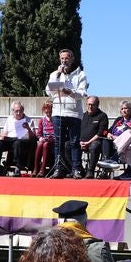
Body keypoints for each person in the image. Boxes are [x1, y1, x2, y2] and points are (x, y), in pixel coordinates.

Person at [46, 48, 88, 179]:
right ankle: (59, 168)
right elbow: (48, 91)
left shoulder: (80, 75)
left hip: (74, 113)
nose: (64, 61)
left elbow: (82, 93)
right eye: (62, 58)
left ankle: (76, 169)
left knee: (74, 142)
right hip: (58, 112)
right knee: (58, 142)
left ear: (72, 59)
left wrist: (70, 92)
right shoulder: (54, 74)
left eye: (67, 58)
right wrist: (58, 75)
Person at [0, 101, 36, 176]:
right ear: (13, 111)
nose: (19, 113)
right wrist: (1, 137)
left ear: (23, 110)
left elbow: (33, 137)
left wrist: (28, 128)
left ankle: (18, 167)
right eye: (16, 111)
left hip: (23, 141)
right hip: (10, 140)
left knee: (17, 142)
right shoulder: (9, 119)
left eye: (20, 111)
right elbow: (5, 132)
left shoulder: (29, 120)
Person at [79, 97, 113, 179]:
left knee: (94, 146)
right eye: (88, 104)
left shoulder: (102, 116)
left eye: (92, 105)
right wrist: (80, 141)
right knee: (67, 145)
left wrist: (88, 142)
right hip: (81, 142)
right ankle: (79, 169)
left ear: (97, 105)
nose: (90, 107)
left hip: (96, 142)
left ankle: (90, 171)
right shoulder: (82, 116)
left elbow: (100, 133)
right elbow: (77, 131)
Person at [33, 99, 56, 178]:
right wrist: (40, 138)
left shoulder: (56, 120)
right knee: (40, 144)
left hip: (53, 142)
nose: (49, 114)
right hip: (44, 140)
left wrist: (52, 138)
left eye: (50, 112)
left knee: (45, 144)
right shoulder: (42, 120)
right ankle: (36, 169)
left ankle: (42, 169)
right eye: (47, 112)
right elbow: (38, 134)